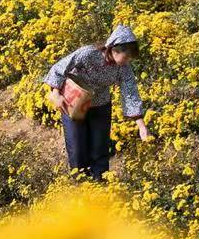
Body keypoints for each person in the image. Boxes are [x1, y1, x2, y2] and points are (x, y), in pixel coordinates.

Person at [42, 24, 151, 181]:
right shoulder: (88, 53)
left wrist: (142, 126)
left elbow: (130, 93)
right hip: (74, 105)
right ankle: (81, 188)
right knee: (77, 150)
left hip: (100, 106)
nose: (128, 60)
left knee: (99, 152)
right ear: (114, 49)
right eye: (126, 56)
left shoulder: (123, 68)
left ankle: (101, 189)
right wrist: (55, 93)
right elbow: (60, 68)